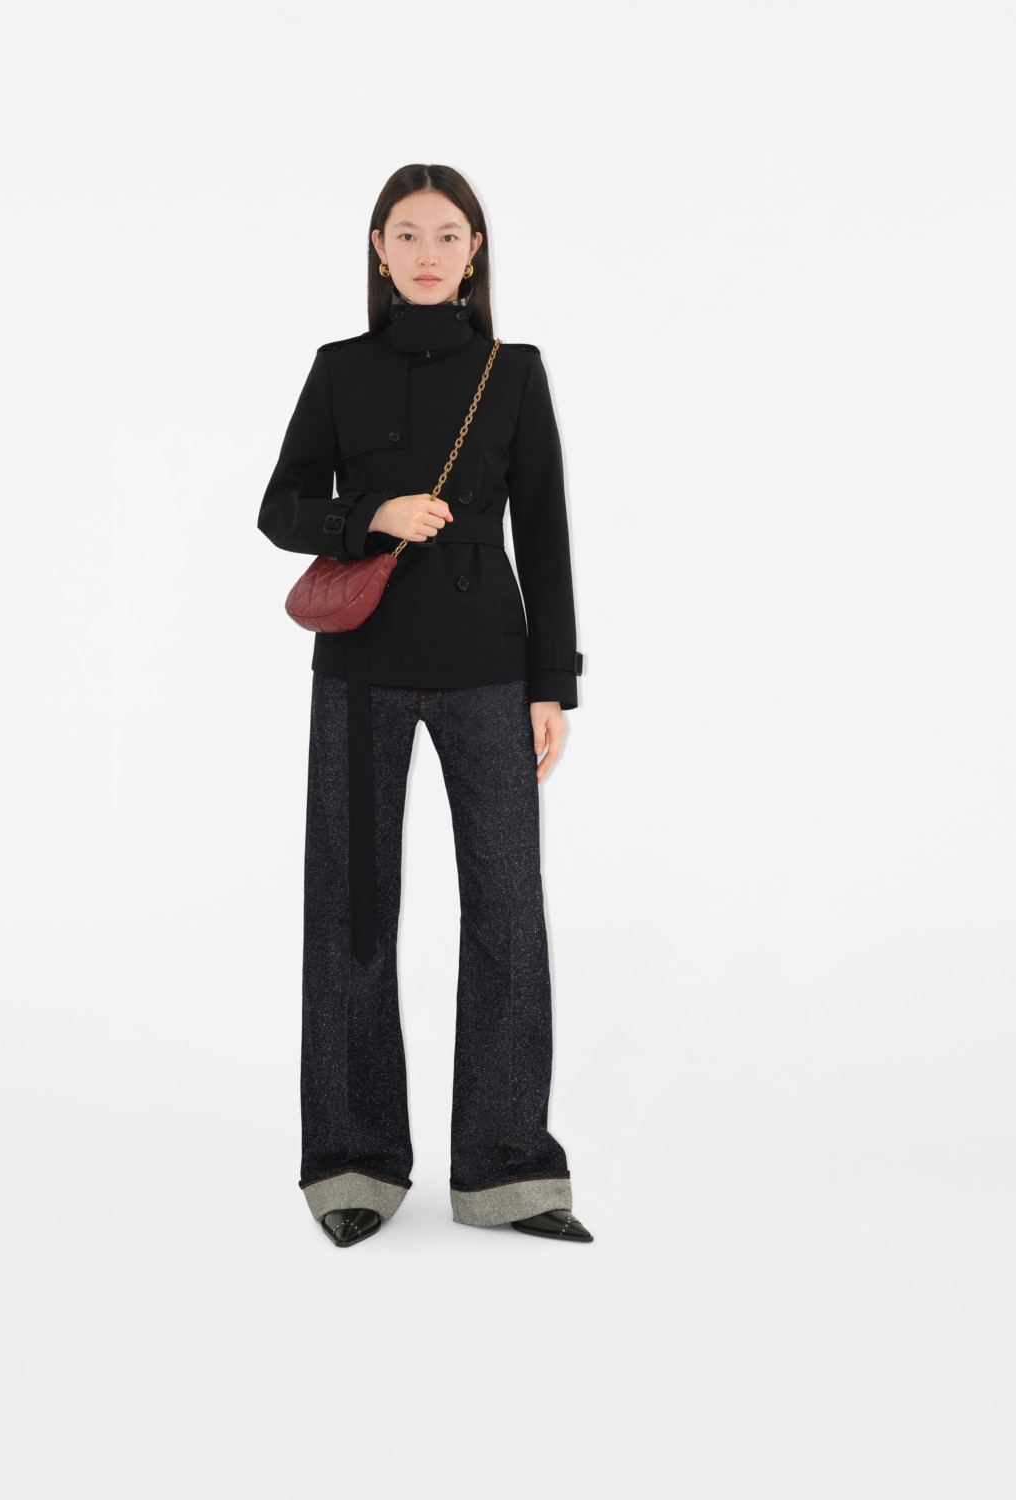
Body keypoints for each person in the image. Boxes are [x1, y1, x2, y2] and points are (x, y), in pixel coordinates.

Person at [257, 164, 593, 1249]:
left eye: (448, 234)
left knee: (506, 911)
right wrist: (371, 515)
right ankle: (351, 1164)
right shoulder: (339, 368)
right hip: (361, 670)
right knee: (350, 908)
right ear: (377, 249)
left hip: (489, 667)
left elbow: (544, 533)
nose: (427, 253)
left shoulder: (513, 371)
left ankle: (508, 1170)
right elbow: (279, 508)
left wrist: (551, 684)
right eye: (405, 234)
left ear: (475, 250)